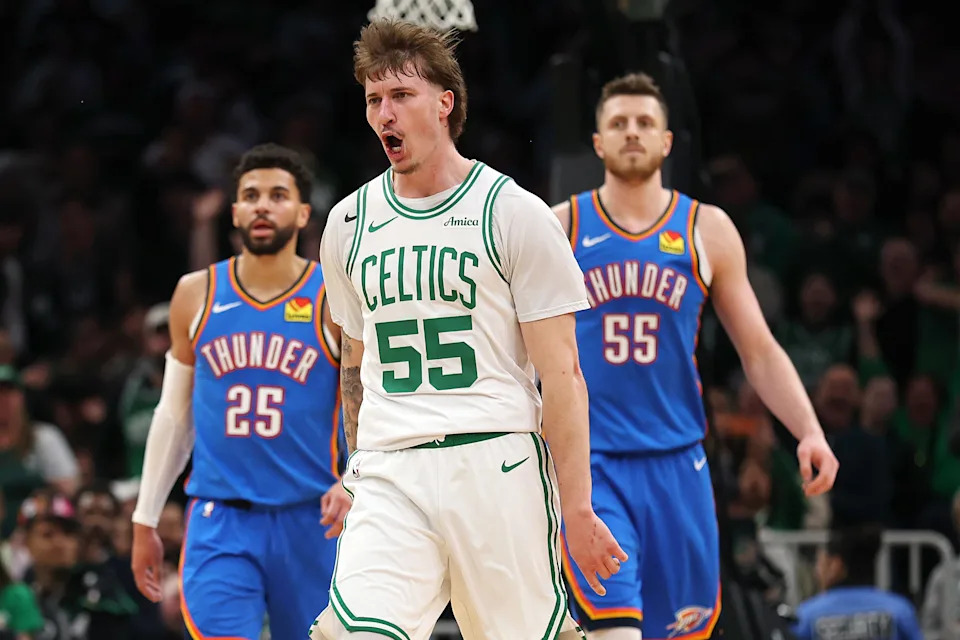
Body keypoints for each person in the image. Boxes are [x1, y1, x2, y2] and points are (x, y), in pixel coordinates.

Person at [312, 19, 626, 640]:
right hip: (390, 471)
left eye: (400, 96)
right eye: (374, 100)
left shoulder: (512, 212)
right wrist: (357, 469)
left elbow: (563, 375)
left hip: (495, 463)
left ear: (445, 103)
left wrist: (577, 504)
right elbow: (354, 362)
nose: (384, 114)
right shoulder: (348, 222)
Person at [552, 72, 840, 640]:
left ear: (666, 142)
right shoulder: (559, 226)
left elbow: (757, 349)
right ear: (597, 143)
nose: (631, 132)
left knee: (680, 631)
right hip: (592, 466)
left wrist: (808, 430)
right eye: (618, 124)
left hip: (679, 465)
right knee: (615, 629)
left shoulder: (706, 228)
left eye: (644, 123)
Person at [129, 143, 351, 640]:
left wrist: (355, 476)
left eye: (277, 195)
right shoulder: (196, 293)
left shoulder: (333, 296)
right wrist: (146, 517)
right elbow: (174, 414)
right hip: (220, 519)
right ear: (234, 212)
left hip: (312, 519)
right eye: (250, 195)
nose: (263, 205)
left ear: (303, 212)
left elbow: (366, 402)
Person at [793, 525, 922, 640]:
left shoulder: (808, 614)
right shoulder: (899, 610)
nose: (817, 572)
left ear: (835, 565)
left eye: (820, 563)